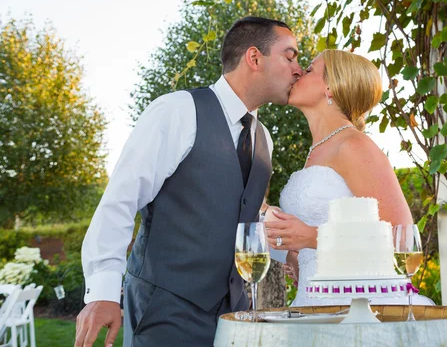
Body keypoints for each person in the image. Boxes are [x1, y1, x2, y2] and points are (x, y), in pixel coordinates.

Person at [75, 17, 302, 346]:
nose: (298, 69)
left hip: (236, 314)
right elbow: (119, 201)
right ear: (254, 58)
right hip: (166, 309)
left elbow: (244, 212)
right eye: (289, 56)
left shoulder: (264, 138)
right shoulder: (177, 111)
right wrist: (103, 291)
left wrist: (285, 253)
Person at [264, 49, 434, 306]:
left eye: (309, 70)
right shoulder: (318, 149)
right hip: (313, 302)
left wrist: (311, 237)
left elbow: (402, 241)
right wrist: (298, 256)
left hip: (358, 309)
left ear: (330, 87)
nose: (298, 72)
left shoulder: (354, 145)